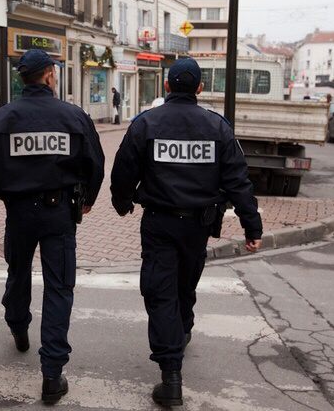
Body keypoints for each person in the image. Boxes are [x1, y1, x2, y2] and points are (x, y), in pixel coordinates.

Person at [110, 58, 262, 407]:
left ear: (166, 86)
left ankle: (171, 375)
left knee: (161, 291)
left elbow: (124, 168)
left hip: (159, 222)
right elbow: (238, 181)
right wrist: (252, 225)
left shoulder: (146, 123)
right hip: (198, 225)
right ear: (199, 88)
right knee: (185, 282)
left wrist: (122, 202)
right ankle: (183, 329)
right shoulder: (217, 127)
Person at [0, 49, 105, 404]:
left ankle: (18, 325)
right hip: (59, 213)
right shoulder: (73, 116)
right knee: (59, 287)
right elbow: (95, 161)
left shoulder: (0, 119)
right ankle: (52, 374)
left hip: (18, 214)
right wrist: (89, 197)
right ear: (49, 76)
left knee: (18, 273)